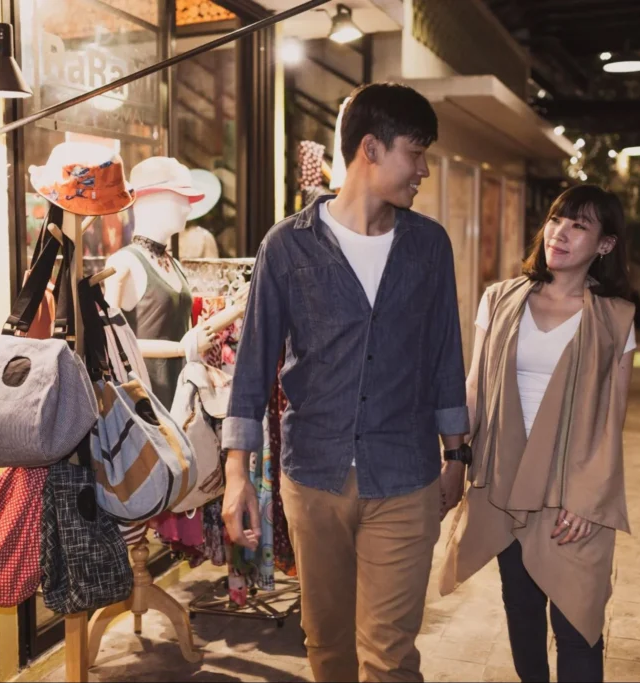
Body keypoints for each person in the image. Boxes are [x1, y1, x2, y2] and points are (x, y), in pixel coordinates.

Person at [222, 82, 470, 683]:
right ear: (371, 149)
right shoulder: (287, 247)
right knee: (327, 646)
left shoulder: (428, 246)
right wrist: (236, 476)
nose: (424, 171)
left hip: (405, 478)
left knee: (389, 658)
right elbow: (252, 368)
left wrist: (457, 455)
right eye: (416, 153)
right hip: (314, 478)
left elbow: (445, 355)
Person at [439, 185, 637, 683]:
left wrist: (589, 499)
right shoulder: (501, 298)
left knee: (578, 624)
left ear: (605, 245)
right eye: (556, 219)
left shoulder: (615, 318)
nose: (560, 233)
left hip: (573, 495)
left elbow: (613, 418)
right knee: (522, 616)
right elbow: (474, 389)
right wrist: (454, 457)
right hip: (505, 483)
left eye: (579, 225)